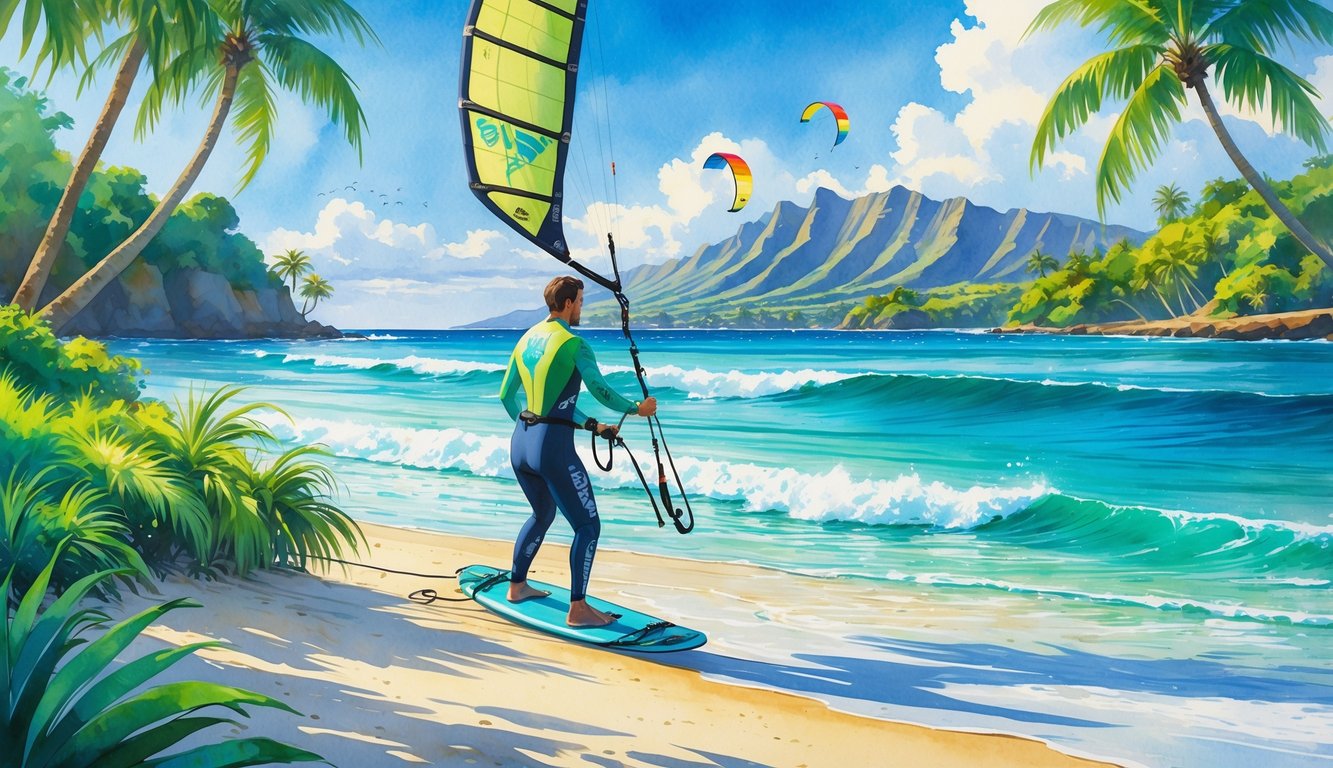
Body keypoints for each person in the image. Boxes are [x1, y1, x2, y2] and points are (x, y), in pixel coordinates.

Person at [498, 275, 657, 627]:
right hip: (551, 449)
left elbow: (508, 397)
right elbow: (600, 389)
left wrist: (590, 425)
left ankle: (517, 586)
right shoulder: (573, 343)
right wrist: (636, 408)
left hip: (521, 443)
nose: (582, 308)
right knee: (587, 526)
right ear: (569, 303)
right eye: (581, 302)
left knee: (542, 515)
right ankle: (578, 608)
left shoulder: (525, 339)